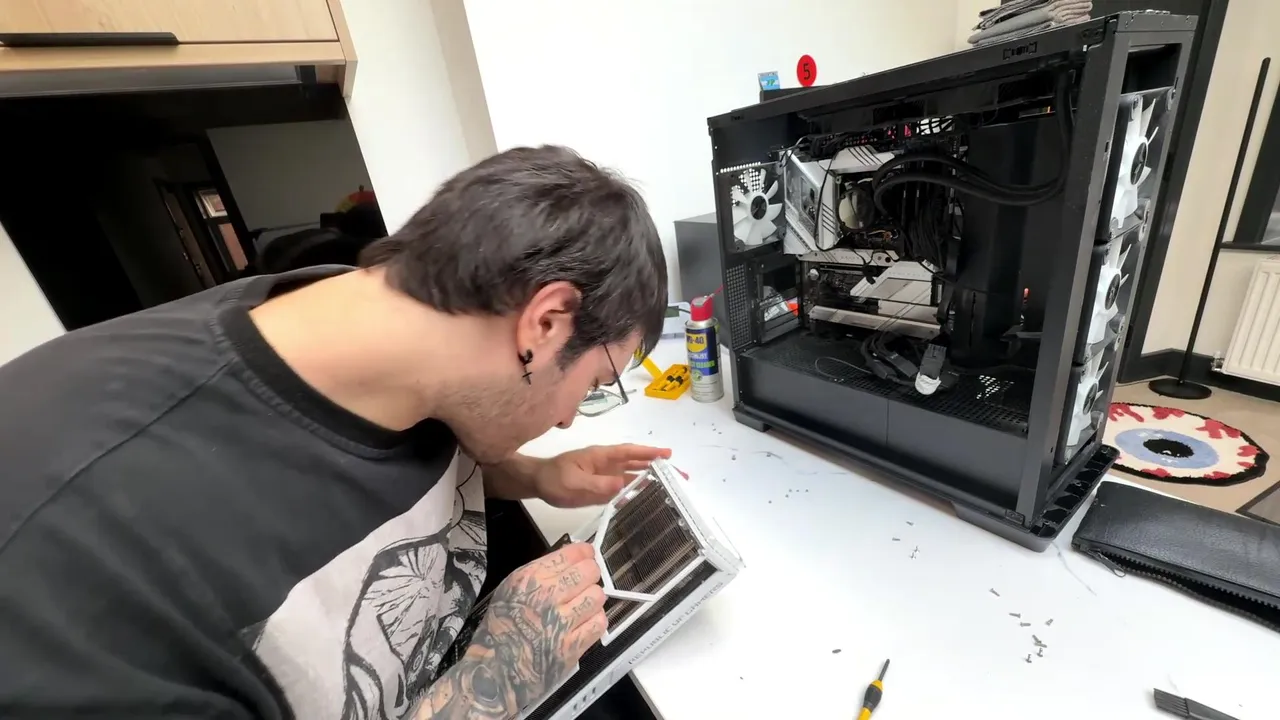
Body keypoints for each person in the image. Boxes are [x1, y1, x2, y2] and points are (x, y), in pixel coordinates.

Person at [0, 145, 670, 720]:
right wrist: (495, 676)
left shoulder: (365, 314)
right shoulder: (74, 557)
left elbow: (390, 466)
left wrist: (534, 476)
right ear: (546, 322)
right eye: (595, 383)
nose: (566, 419)